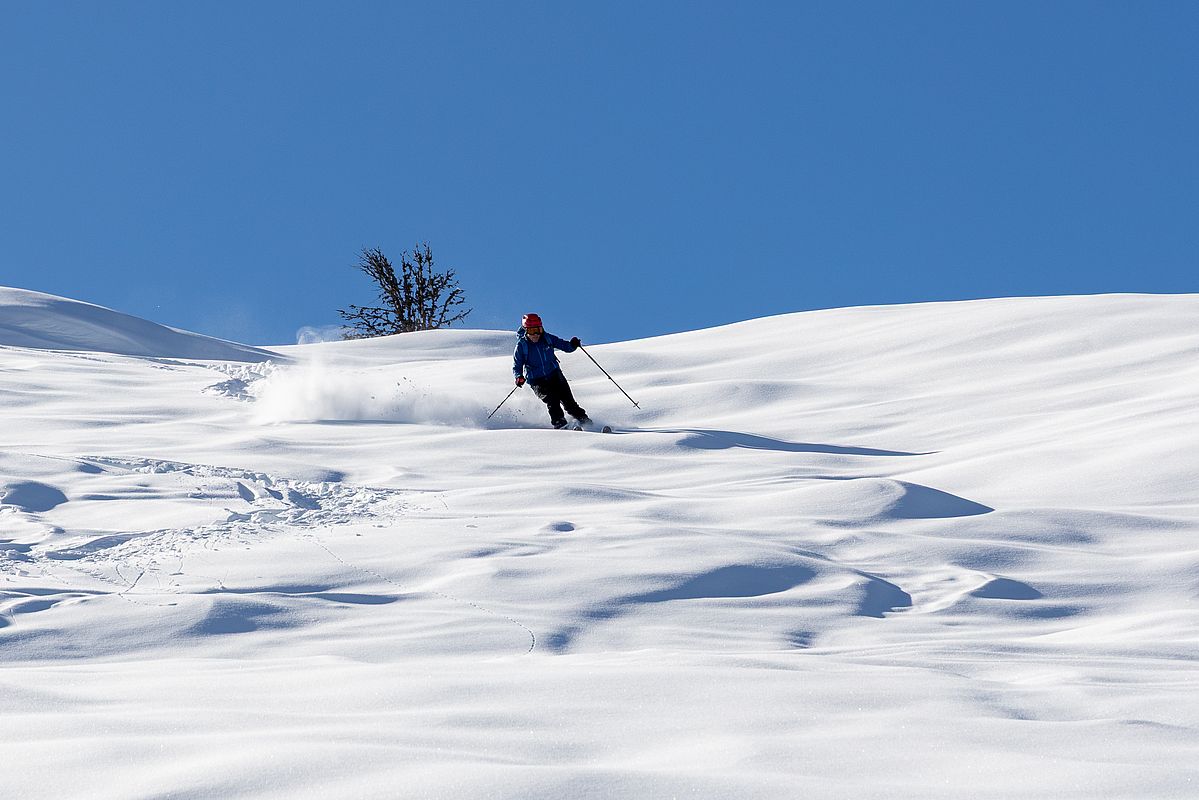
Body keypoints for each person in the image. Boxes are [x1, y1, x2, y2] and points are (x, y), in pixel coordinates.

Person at [513, 312, 591, 429]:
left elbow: (564, 346)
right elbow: (517, 365)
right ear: (525, 331)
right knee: (552, 400)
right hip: (537, 380)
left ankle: (586, 423)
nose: (535, 334)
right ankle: (559, 423)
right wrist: (519, 376)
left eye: (537, 330)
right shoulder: (522, 346)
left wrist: (573, 345)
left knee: (569, 402)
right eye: (531, 331)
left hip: (555, 375)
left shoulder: (547, 338)